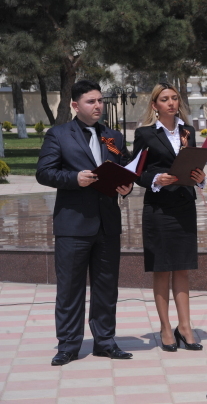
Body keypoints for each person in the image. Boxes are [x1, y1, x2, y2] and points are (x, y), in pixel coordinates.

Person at [36, 80, 133, 366]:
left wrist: (126, 185)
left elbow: (125, 168)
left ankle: (105, 341)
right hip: (73, 225)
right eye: (91, 101)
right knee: (69, 289)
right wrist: (74, 179)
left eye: (100, 101)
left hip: (107, 224)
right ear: (75, 105)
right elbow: (44, 172)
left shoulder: (112, 136)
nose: (98, 106)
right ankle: (68, 345)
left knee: (106, 286)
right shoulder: (58, 135)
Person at [133, 82, 206, 352]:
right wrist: (155, 178)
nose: (171, 103)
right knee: (162, 268)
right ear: (155, 105)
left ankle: (185, 326)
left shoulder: (188, 131)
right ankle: (165, 327)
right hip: (159, 208)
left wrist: (201, 178)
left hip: (185, 205)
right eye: (165, 99)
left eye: (175, 98)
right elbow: (136, 172)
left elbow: (193, 165)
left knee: (183, 268)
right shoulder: (144, 134)